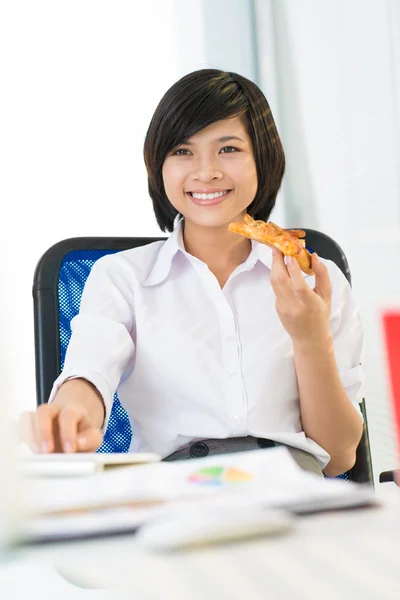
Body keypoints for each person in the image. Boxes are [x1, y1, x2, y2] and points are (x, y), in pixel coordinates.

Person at [21, 69, 364, 477]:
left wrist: (310, 338)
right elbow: (89, 370)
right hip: (173, 493)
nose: (206, 172)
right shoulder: (122, 278)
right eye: (183, 151)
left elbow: (339, 457)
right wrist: (71, 417)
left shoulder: (315, 282)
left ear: (263, 159)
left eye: (228, 149)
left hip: (295, 494)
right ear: (158, 165)